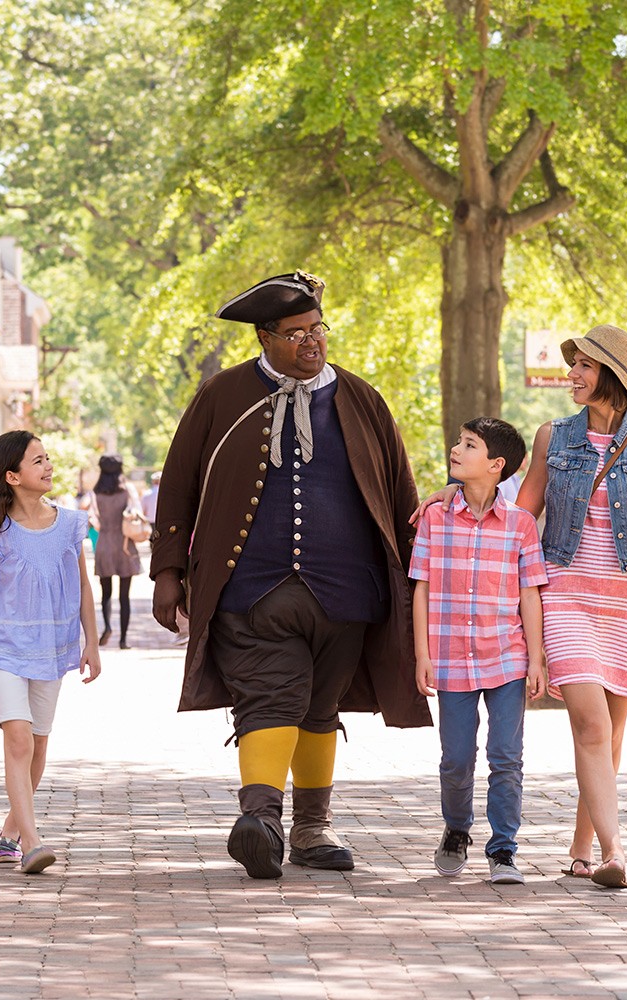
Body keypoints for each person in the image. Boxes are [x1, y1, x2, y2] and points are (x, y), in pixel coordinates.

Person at [151, 269, 428, 880]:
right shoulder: (220, 394)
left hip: (347, 592)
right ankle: (260, 818)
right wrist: (167, 570)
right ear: (264, 337)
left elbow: (401, 494)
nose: (312, 342)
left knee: (320, 706)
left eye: (317, 329)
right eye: (297, 333)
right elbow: (178, 484)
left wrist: (420, 583)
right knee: (268, 697)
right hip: (250, 591)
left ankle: (311, 827)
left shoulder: (362, 399)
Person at [414, 324, 627, 889]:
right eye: (574, 365)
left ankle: (583, 847)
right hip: (564, 590)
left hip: (626, 598)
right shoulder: (551, 437)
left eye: (584, 366)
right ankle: (615, 851)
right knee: (587, 719)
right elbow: (521, 505)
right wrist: (457, 494)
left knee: (609, 732)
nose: (573, 376)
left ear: (613, 375)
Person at [0, 430, 103, 875]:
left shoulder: (72, 524)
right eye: (38, 461)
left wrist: (91, 642)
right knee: (17, 740)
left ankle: (11, 833)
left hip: (54, 649)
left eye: (47, 458)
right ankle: (33, 842)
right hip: (6, 647)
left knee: (36, 746)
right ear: (12, 476)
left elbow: (84, 589)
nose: (49, 465)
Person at [410, 417, 547, 884]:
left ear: (495, 465)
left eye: (469, 445)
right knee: (456, 758)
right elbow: (422, 589)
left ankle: (504, 850)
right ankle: (456, 829)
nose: (456, 448)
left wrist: (536, 659)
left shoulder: (521, 525)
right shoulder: (434, 516)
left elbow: (530, 593)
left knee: (506, 756)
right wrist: (422, 655)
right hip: (449, 658)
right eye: (458, 440)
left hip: (507, 657)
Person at [82, 454, 143, 649]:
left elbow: (93, 518)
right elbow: (137, 511)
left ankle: (107, 626)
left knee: (105, 594)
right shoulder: (127, 490)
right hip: (124, 545)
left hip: (104, 544)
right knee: (124, 596)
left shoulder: (96, 492)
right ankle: (123, 640)